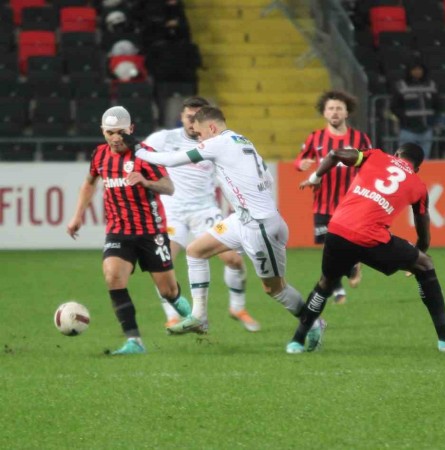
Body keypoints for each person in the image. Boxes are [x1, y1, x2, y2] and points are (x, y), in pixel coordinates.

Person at [135, 106, 324, 346]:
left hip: (260, 227)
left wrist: (138, 151)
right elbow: (268, 178)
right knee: (195, 251)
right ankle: (199, 317)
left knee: (274, 289)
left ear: (212, 128)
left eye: (200, 134)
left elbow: (172, 160)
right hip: (242, 219)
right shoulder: (241, 140)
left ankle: (313, 322)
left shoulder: (219, 143)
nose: (199, 139)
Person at [286, 143, 445, 354]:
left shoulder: (376, 156)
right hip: (371, 238)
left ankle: (297, 341)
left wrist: (315, 178)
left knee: (325, 283)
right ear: (417, 168)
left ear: (396, 153)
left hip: (337, 230)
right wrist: (418, 256)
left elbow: (334, 154)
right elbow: (423, 232)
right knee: (425, 264)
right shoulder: (419, 186)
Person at [66, 106, 191, 355]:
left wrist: (145, 181)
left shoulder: (146, 155)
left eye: (120, 132)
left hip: (151, 231)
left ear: (131, 129)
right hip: (118, 231)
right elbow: (89, 183)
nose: (115, 138)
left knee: (168, 291)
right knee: (113, 276)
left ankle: (193, 316)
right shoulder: (99, 155)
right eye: (110, 132)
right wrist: (78, 215)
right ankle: (134, 341)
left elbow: (169, 187)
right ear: (103, 131)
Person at [143, 96, 260, 332]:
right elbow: (138, 158)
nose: (192, 122)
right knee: (163, 263)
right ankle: (172, 316)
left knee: (234, 260)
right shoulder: (163, 139)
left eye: (197, 118)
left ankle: (237, 307)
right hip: (172, 211)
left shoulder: (215, 142)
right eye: (189, 117)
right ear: (181, 117)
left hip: (204, 209)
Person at [294, 90, 372, 304]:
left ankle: (346, 275)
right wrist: (301, 164)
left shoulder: (360, 139)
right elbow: (300, 159)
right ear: (324, 112)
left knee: (342, 245)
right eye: (330, 108)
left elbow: (371, 164)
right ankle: (341, 283)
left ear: (347, 112)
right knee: (328, 247)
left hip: (351, 204)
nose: (335, 112)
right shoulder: (315, 137)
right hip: (322, 203)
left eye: (339, 108)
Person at [390, 62, 441, 160]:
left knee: (424, 162)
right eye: (414, 69)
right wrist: (405, 118)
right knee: (404, 161)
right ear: (409, 71)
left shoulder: (432, 85)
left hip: (426, 130)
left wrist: (433, 120)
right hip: (407, 130)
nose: (417, 72)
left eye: (419, 69)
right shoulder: (401, 85)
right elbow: (394, 106)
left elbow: (438, 105)